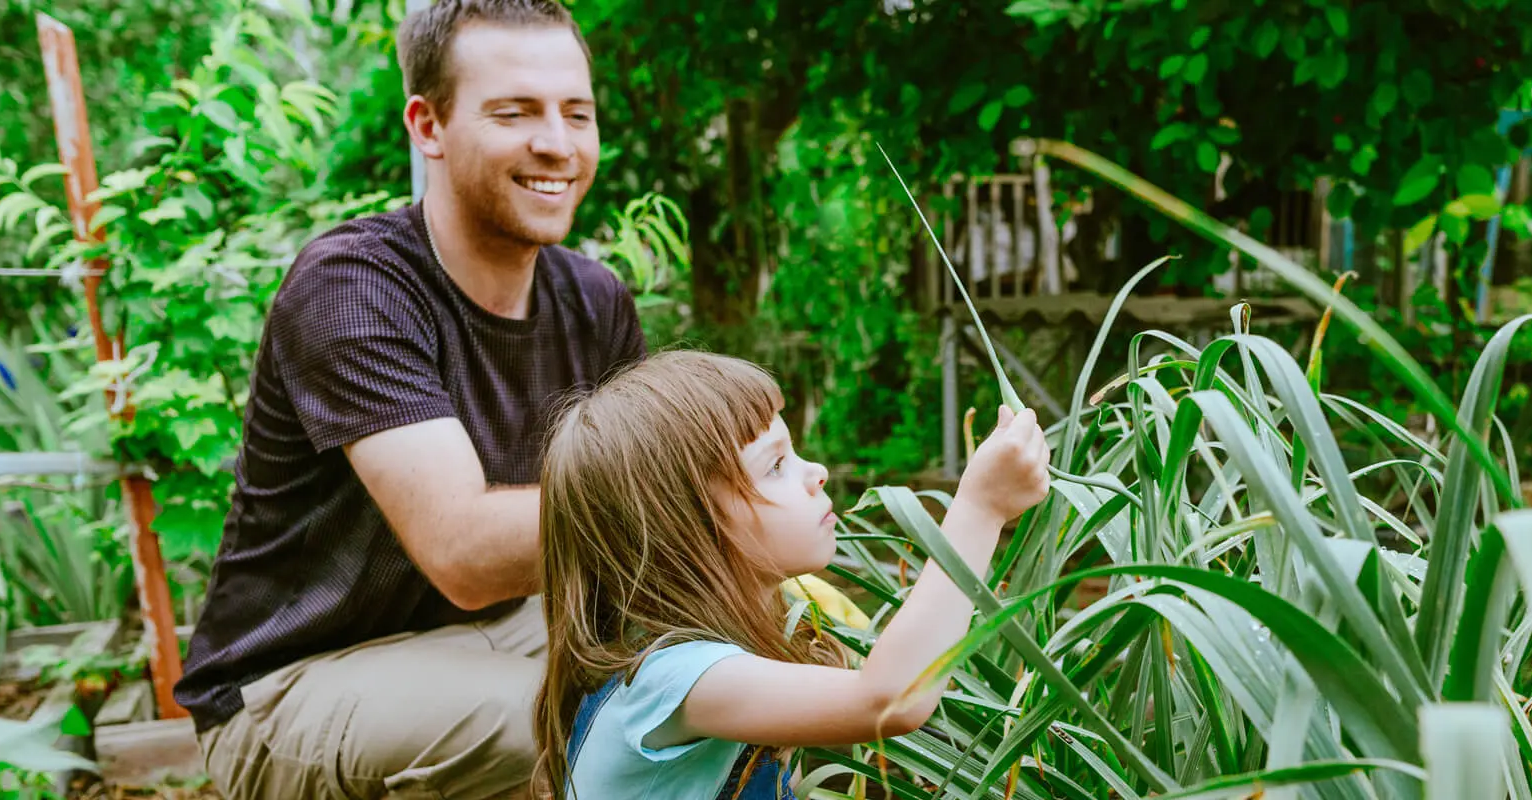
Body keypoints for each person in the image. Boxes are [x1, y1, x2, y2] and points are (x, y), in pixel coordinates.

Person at [171, 1, 643, 797]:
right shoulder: (353, 287)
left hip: (501, 635)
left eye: (577, 113)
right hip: (291, 684)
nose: (558, 144)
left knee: (731, 662)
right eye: (514, 113)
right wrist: (703, 500)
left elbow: (653, 498)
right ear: (429, 126)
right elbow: (466, 552)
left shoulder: (595, 301)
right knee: (560, 722)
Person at [532, 351, 1051, 799]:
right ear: (687, 527)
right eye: (775, 465)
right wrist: (981, 508)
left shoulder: (737, 639)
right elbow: (889, 699)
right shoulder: (672, 678)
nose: (816, 473)